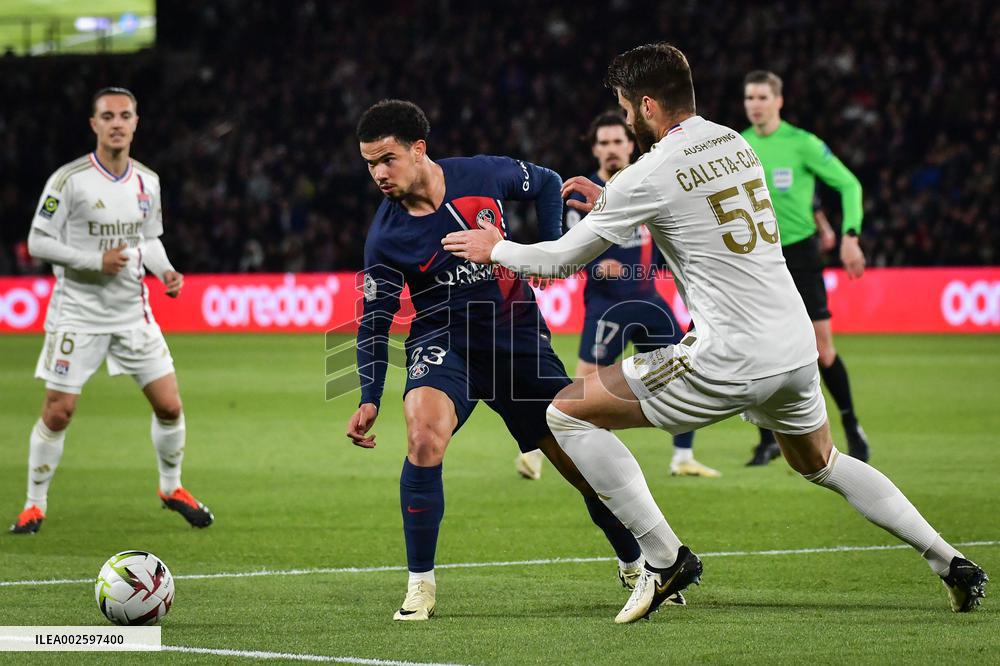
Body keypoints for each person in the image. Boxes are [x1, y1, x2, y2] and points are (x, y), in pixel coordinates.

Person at [442, 43, 987, 623]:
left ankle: (663, 555)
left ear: (648, 105)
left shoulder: (645, 174)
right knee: (821, 462)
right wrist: (617, 206)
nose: (625, 118)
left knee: (566, 412)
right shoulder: (734, 142)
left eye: (627, 107)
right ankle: (949, 560)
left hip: (731, 354)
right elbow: (692, 204)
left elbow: (557, 262)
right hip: (794, 343)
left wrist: (493, 246)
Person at [346, 99, 678, 621]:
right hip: (446, 343)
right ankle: (420, 587)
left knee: (582, 465)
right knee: (423, 436)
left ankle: (636, 561)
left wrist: (549, 249)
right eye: (369, 164)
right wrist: (367, 397)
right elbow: (373, 321)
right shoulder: (384, 236)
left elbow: (548, 182)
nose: (378, 174)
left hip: (517, 342)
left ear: (419, 149)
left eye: (387, 159)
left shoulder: (482, 174)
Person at [10, 87, 213, 534]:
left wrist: (166, 272)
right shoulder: (69, 180)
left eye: (125, 115)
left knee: (170, 406)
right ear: (94, 124)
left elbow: (148, 238)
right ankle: (34, 504)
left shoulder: (147, 181)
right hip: (77, 313)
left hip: (131, 313)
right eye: (108, 116)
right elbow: (39, 242)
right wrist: (93, 261)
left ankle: (171, 487)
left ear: (136, 122)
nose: (117, 123)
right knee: (58, 410)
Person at [515, 112, 719, 481]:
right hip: (606, 305)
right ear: (595, 150)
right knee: (580, 391)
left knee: (685, 372)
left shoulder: (646, 182)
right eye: (604, 143)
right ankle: (541, 452)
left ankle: (683, 457)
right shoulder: (581, 196)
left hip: (648, 299)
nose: (612, 149)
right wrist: (597, 268)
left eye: (617, 141)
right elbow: (573, 253)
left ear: (630, 144)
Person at [742, 70, 870, 466]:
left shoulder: (802, 144)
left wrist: (849, 235)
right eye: (749, 98)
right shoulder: (737, 146)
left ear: (779, 101)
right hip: (756, 257)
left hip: (799, 254)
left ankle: (852, 427)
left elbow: (849, 185)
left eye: (762, 97)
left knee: (822, 349)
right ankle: (767, 440)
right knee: (757, 349)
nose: (755, 105)